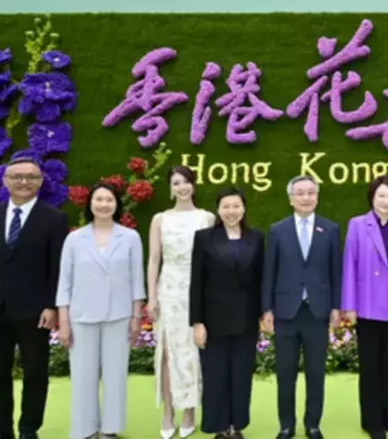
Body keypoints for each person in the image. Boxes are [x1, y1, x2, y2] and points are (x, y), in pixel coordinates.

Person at [0, 154, 70, 439]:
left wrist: (52, 306)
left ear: (40, 182)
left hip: (35, 312)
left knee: (35, 374)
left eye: (31, 177)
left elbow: (57, 268)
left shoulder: (54, 219)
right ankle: (0, 429)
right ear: (6, 180)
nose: (24, 181)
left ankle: (29, 428)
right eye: (17, 176)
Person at [56, 183, 147, 439]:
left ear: (116, 204)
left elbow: (136, 280)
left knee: (115, 374)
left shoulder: (130, 238)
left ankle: (110, 428)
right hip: (82, 316)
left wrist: (136, 317)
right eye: (99, 199)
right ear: (90, 204)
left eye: (109, 199)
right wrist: (64, 321)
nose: (104, 204)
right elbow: (65, 282)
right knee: (83, 376)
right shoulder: (74, 238)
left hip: (118, 316)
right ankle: (85, 429)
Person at [262, 175, 342, 439]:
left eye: (310, 192)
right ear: (290, 198)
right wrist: (267, 309)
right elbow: (269, 272)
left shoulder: (330, 229)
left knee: (316, 373)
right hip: (286, 311)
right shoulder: (277, 230)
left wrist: (336, 307)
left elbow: (335, 272)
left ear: (317, 196)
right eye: (300, 193)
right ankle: (286, 425)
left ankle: (312, 424)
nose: (306, 197)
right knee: (285, 373)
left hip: (317, 311)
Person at [342, 175, 388, 439]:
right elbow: (349, 263)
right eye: (381, 195)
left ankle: (387, 415)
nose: (386, 201)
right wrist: (349, 304)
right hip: (367, 305)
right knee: (370, 365)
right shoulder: (358, 225)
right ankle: (371, 421)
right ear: (372, 197)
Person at [191, 188, 265, 439]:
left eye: (236, 206)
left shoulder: (256, 238)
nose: (231, 211)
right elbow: (196, 283)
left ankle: (237, 426)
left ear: (243, 208)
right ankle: (219, 426)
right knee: (215, 375)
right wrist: (197, 322)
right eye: (226, 206)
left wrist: (265, 312)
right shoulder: (203, 238)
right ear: (218, 210)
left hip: (246, 319)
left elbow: (261, 279)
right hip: (213, 320)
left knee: (241, 375)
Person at [148, 166, 213, 439]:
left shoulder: (207, 218)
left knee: (192, 351)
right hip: (169, 289)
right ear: (170, 187)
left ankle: (189, 410)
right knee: (167, 353)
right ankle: (167, 412)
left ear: (194, 186)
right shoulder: (160, 219)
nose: (182, 187)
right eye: (176, 183)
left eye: (186, 182)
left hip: (197, 290)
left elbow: (212, 261)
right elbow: (153, 259)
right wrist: (151, 296)